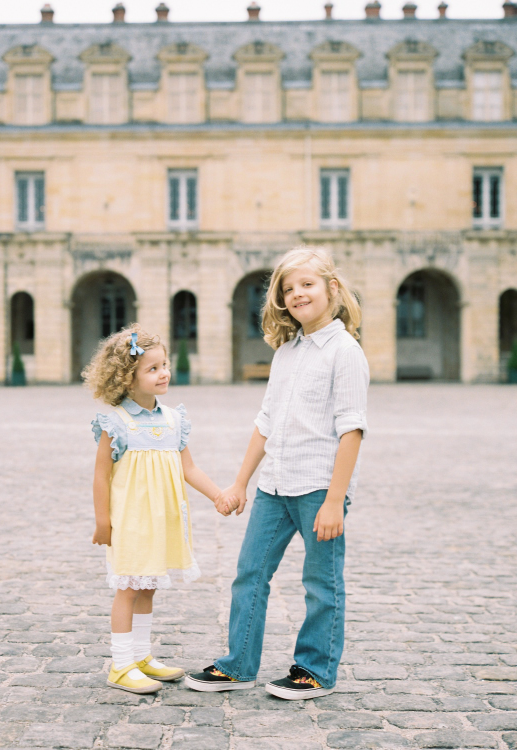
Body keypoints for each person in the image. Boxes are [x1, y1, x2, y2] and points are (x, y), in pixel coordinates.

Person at [185, 246, 369, 700]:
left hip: (318, 489)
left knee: (321, 584)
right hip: (274, 486)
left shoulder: (345, 352)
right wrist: (240, 482)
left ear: (332, 288)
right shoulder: (286, 352)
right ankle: (238, 665)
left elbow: (352, 431)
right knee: (249, 573)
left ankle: (315, 671)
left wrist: (333, 501)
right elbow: (266, 422)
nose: (298, 293)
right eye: (288, 288)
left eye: (307, 284)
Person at [84, 324, 233, 695]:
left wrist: (218, 495)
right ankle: (120, 665)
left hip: (162, 519)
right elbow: (101, 476)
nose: (164, 372)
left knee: (148, 588)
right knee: (129, 588)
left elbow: (189, 468)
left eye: (163, 365)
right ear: (126, 377)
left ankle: (140, 656)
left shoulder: (173, 419)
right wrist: (103, 522)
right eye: (152, 368)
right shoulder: (115, 422)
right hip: (131, 521)